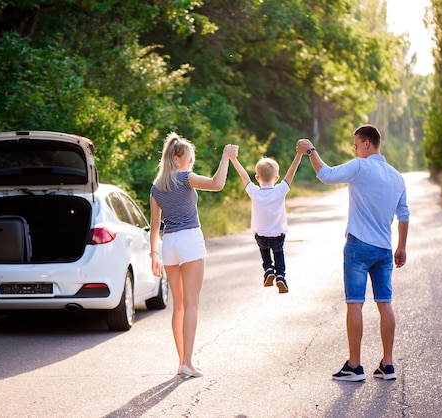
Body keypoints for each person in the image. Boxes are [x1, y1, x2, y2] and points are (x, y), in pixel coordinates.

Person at [297, 124, 409, 382]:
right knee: (385, 303)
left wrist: (310, 150)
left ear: (367, 143)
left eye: (356, 144)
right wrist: (401, 245)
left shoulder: (360, 166)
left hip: (358, 247)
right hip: (384, 248)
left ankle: (355, 366)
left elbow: (325, 174)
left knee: (355, 303)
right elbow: (403, 214)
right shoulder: (397, 177)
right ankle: (387, 365)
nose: (355, 149)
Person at [150, 132, 238, 378]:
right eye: (189, 158)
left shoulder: (157, 186)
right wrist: (226, 157)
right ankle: (187, 362)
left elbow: (155, 226)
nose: (191, 163)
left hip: (169, 245)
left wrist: (153, 255)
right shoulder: (186, 178)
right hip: (189, 241)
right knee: (191, 305)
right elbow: (217, 184)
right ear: (178, 158)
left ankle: (181, 361)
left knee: (178, 307)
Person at [230, 151, 304, 293]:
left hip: (261, 235)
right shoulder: (280, 190)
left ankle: (268, 269)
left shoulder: (254, 192)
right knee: (279, 253)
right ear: (276, 177)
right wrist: (299, 155)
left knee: (264, 250)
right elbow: (291, 172)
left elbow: (243, 175)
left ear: (257, 177)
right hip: (278, 234)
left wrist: (234, 159)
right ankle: (280, 276)